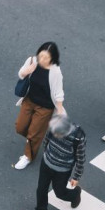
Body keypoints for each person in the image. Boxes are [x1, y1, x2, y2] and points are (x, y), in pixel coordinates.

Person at [14, 42, 66, 170]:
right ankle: (34, 138)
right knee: (20, 127)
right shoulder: (32, 60)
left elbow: (58, 92)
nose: (42, 60)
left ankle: (28, 156)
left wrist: (59, 108)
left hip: (45, 107)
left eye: (46, 58)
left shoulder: (55, 72)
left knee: (33, 133)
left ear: (52, 58)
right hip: (29, 100)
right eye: (41, 56)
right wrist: (27, 71)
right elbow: (21, 74)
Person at [31, 114, 85, 210]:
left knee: (60, 193)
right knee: (41, 189)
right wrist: (47, 155)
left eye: (57, 134)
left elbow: (80, 158)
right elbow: (46, 140)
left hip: (63, 170)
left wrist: (76, 176)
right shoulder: (55, 126)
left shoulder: (78, 137)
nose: (54, 135)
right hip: (46, 163)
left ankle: (75, 194)